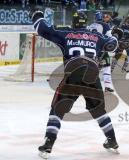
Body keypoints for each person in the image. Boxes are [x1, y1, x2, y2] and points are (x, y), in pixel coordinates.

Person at [29, 9, 123, 159]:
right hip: (92, 73)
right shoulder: (97, 36)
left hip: (73, 71)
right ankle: (112, 140)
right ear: (86, 23)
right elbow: (112, 45)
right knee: (99, 110)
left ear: (73, 22)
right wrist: (116, 35)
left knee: (57, 109)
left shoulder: (66, 33)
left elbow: (42, 29)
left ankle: (48, 143)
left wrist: (37, 15)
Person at [88, 11, 114, 92]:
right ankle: (107, 86)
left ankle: (87, 85)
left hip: (91, 50)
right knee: (107, 67)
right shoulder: (105, 25)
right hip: (102, 50)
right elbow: (110, 37)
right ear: (101, 17)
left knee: (92, 68)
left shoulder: (90, 25)